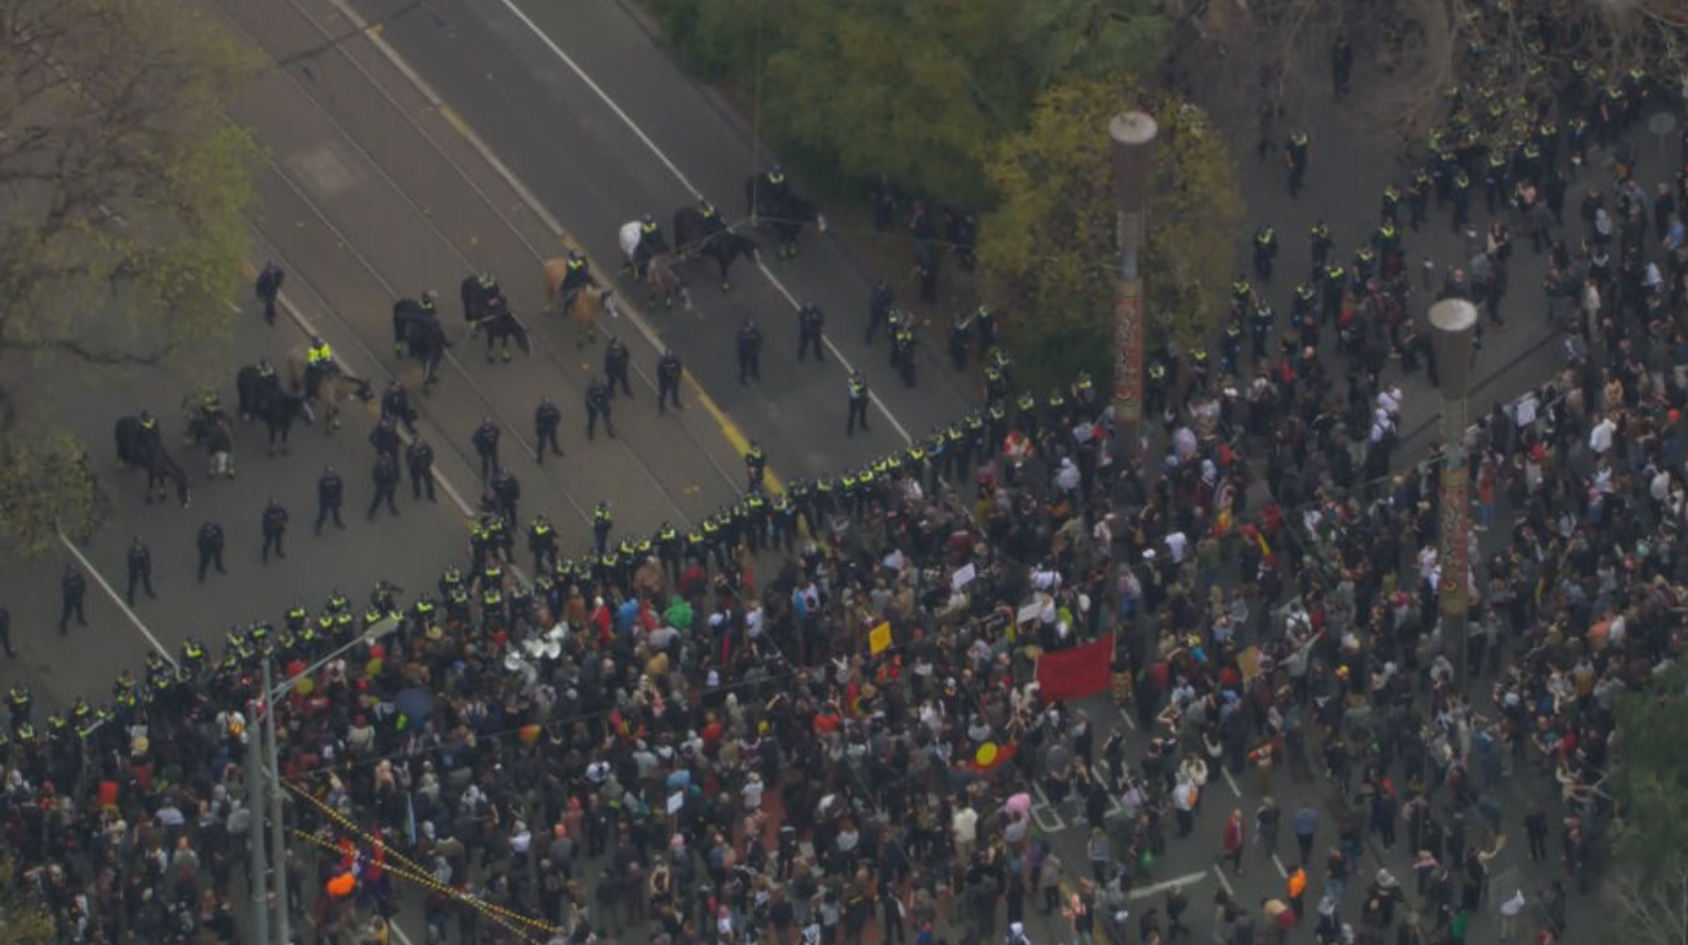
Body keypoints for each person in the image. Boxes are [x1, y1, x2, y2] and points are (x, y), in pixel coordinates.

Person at [369, 454, 401, 520]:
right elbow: (376, 477)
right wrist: (380, 485)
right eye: (384, 460)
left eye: (388, 460)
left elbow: (397, 472)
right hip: (382, 487)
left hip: (391, 485)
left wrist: (396, 479)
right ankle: (371, 512)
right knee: (377, 499)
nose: (386, 462)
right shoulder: (377, 467)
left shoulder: (393, 465)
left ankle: (391, 507)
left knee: (390, 498)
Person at [58, 564, 87, 634]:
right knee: (67, 614)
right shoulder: (66, 579)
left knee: (80, 610)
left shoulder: (79, 577)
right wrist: (69, 599)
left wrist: (81, 595)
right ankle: (63, 626)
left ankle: (80, 619)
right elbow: (66, 590)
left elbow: (83, 585)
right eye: (71, 571)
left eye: (74, 571)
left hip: (78, 598)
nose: (73, 572)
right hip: (69, 601)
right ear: (68, 571)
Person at [125, 537, 155, 606]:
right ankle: (130, 598)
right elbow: (130, 564)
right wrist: (135, 572)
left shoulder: (144, 549)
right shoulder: (131, 552)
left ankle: (148, 591)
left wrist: (149, 568)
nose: (139, 544)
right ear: (134, 543)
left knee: (147, 580)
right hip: (135, 570)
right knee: (132, 585)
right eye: (137, 543)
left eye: (140, 543)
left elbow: (148, 558)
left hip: (143, 567)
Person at [316, 466, 346, 534]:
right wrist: (323, 503)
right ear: (325, 473)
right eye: (328, 473)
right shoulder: (322, 481)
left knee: (336, 512)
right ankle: (318, 528)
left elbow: (339, 489)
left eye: (332, 473)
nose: (330, 474)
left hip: (334, 499)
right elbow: (321, 494)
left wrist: (339, 499)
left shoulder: (337, 479)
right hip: (325, 501)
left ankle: (337, 523)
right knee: (322, 515)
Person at [255, 260, 285, 324]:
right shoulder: (263, 276)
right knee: (269, 304)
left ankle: (272, 312)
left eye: (273, 268)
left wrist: (279, 281)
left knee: (272, 301)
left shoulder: (278, 271)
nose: (272, 270)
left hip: (273, 290)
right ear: (267, 268)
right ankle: (269, 318)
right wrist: (260, 295)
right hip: (266, 292)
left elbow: (282, 274)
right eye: (270, 268)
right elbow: (258, 286)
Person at [534, 398, 563, 464]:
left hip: (551, 428)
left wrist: (554, 423)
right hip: (542, 429)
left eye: (547, 404)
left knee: (553, 439)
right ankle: (539, 457)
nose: (546, 405)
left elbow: (558, 416)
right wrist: (541, 424)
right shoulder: (540, 410)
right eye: (545, 404)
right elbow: (537, 420)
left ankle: (555, 450)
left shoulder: (553, 409)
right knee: (541, 444)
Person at [261, 499, 290, 563]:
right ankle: (264, 558)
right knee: (267, 544)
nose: (276, 506)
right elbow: (266, 524)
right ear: (270, 505)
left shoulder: (280, 509)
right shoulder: (266, 512)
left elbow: (286, 516)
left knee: (279, 541)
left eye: (277, 505)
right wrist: (274, 520)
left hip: (278, 529)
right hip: (269, 531)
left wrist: (284, 520)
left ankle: (278, 552)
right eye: (274, 505)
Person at [737, 318, 763, 384]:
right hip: (744, 353)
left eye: (751, 327)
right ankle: (743, 379)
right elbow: (741, 344)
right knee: (744, 367)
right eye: (748, 327)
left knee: (754, 365)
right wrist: (749, 338)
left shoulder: (754, 333)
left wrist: (756, 349)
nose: (748, 329)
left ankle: (755, 376)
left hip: (753, 352)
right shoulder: (741, 334)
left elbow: (759, 340)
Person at [1284, 131, 1309, 197]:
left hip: (1302, 160)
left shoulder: (1304, 138)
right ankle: (1292, 191)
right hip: (1294, 161)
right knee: (1293, 176)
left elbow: (1306, 147)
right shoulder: (1291, 140)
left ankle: (1298, 182)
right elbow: (1287, 152)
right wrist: (1289, 162)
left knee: (1300, 172)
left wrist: (1308, 155)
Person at [847, 370, 870, 436]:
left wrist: (866, 397)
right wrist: (863, 386)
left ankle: (862, 424)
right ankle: (849, 429)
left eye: (859, 377)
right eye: (857, 378)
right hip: (854, 401)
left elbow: (865, 389)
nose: (858, 378)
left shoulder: (861, 380)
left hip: (861, 399)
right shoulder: (852, 383)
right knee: (852, 415)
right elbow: (856, 391)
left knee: (863, 412)